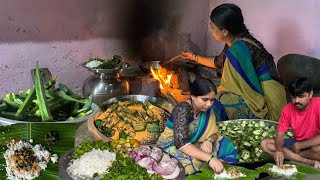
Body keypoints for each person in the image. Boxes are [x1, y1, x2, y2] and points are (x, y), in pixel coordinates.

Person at [180, 3, 286, 121]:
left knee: (213, 102)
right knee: (208, 89)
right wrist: (193, 56)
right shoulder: (235, 41)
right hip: (261, 89)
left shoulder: (238, 48)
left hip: (267, 100)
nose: (210, 31)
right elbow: (217, 63)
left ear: (225, 31)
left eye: (213, 27)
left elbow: (245, 88)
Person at [157, 77, 238, 176]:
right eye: (205, 99)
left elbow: (215, 133)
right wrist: (210, 158)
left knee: (228, 145)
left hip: (195, 143)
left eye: (212, 100)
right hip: (173, 145)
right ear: (193, 96)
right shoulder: (182, 109)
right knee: (189, 164)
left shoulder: (207, 109)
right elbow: (181, 144)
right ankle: (212, 169)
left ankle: (222, 172)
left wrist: (209, 140)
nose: (209, 104)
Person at [260, 78, 320, 168]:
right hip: (296, 143)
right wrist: (279, 150)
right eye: (293, 97)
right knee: (265, 144)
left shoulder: (318, 104)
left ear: (310, 94)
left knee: (317, 149)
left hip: (313, 143)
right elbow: (280, 133)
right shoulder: (287, 109)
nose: (296, 101)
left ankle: (293, 155)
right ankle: (308, 162)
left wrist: (299, 146)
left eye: (301, 96)